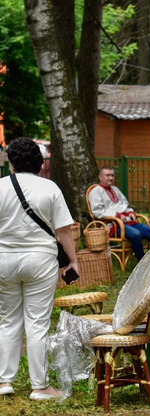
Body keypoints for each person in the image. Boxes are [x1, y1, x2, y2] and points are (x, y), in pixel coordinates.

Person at [0, 137, 78, 400]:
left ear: (11, 163)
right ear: (39, 162)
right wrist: (72, 261)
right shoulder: (50, 187)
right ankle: (40, 386)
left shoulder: (0, 187)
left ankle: (4, 382)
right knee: (37, 323)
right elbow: (64, 229)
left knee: (7, 319)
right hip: (40, 260)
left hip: (3, 260)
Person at [89, 166, 150, 261]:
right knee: (136, 234)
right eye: (107, 175)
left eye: (112, 175)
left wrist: (130, 212)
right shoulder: (96, 192)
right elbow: (97, 212)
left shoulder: (115, 189)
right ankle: (143, 262)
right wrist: (116, 215)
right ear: (100, 177)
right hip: (113, 225)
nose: (111, 178)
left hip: (128, 222)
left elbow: (124, 205)